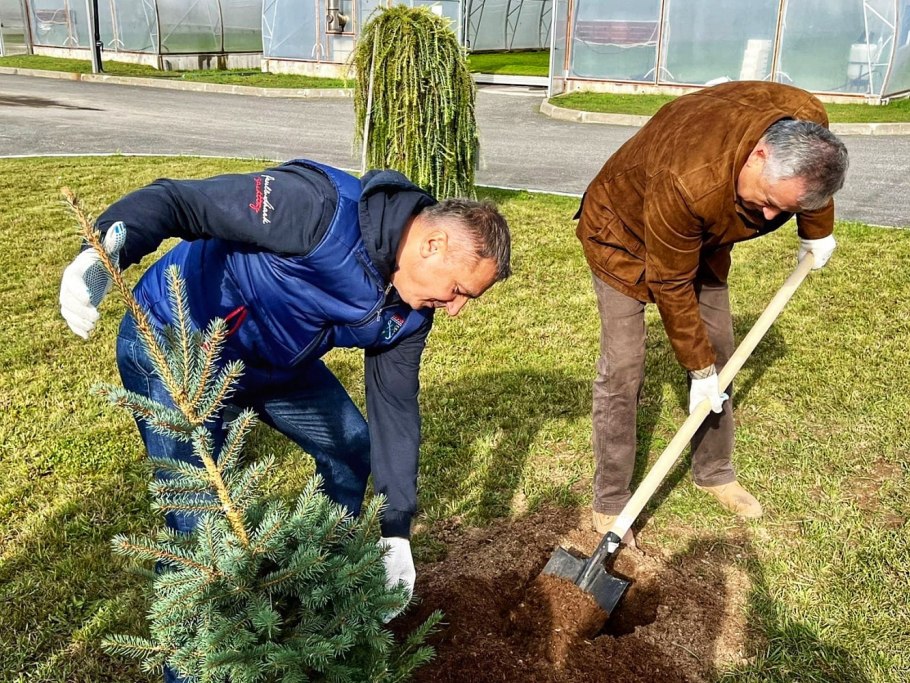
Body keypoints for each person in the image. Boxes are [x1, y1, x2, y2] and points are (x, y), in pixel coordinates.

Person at [60, 158, 511, 609]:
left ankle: (318, 589)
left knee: (352, 447)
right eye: (459, 290)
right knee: (198, 515)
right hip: (176, 339)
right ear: (433, 244)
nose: (455, 309)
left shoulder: (411, 314)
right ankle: (190, 665)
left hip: (270, 364)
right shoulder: (317, 209)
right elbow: (181, 202)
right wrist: (101, 253)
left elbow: (394, 408)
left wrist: (395, 531)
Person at [575, 81, 848, 540]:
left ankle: (715, 471)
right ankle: (612, 499)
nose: (764, 218)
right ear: (759, 155)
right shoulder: (687, 178)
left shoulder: (806, 121)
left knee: (720, 346)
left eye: (779, 210)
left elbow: (812, 185)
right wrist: (699, 372)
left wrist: (816, 229)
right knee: (623, 365)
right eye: (765, 202)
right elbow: (670, 281)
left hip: (700, 237)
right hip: (621, 236)